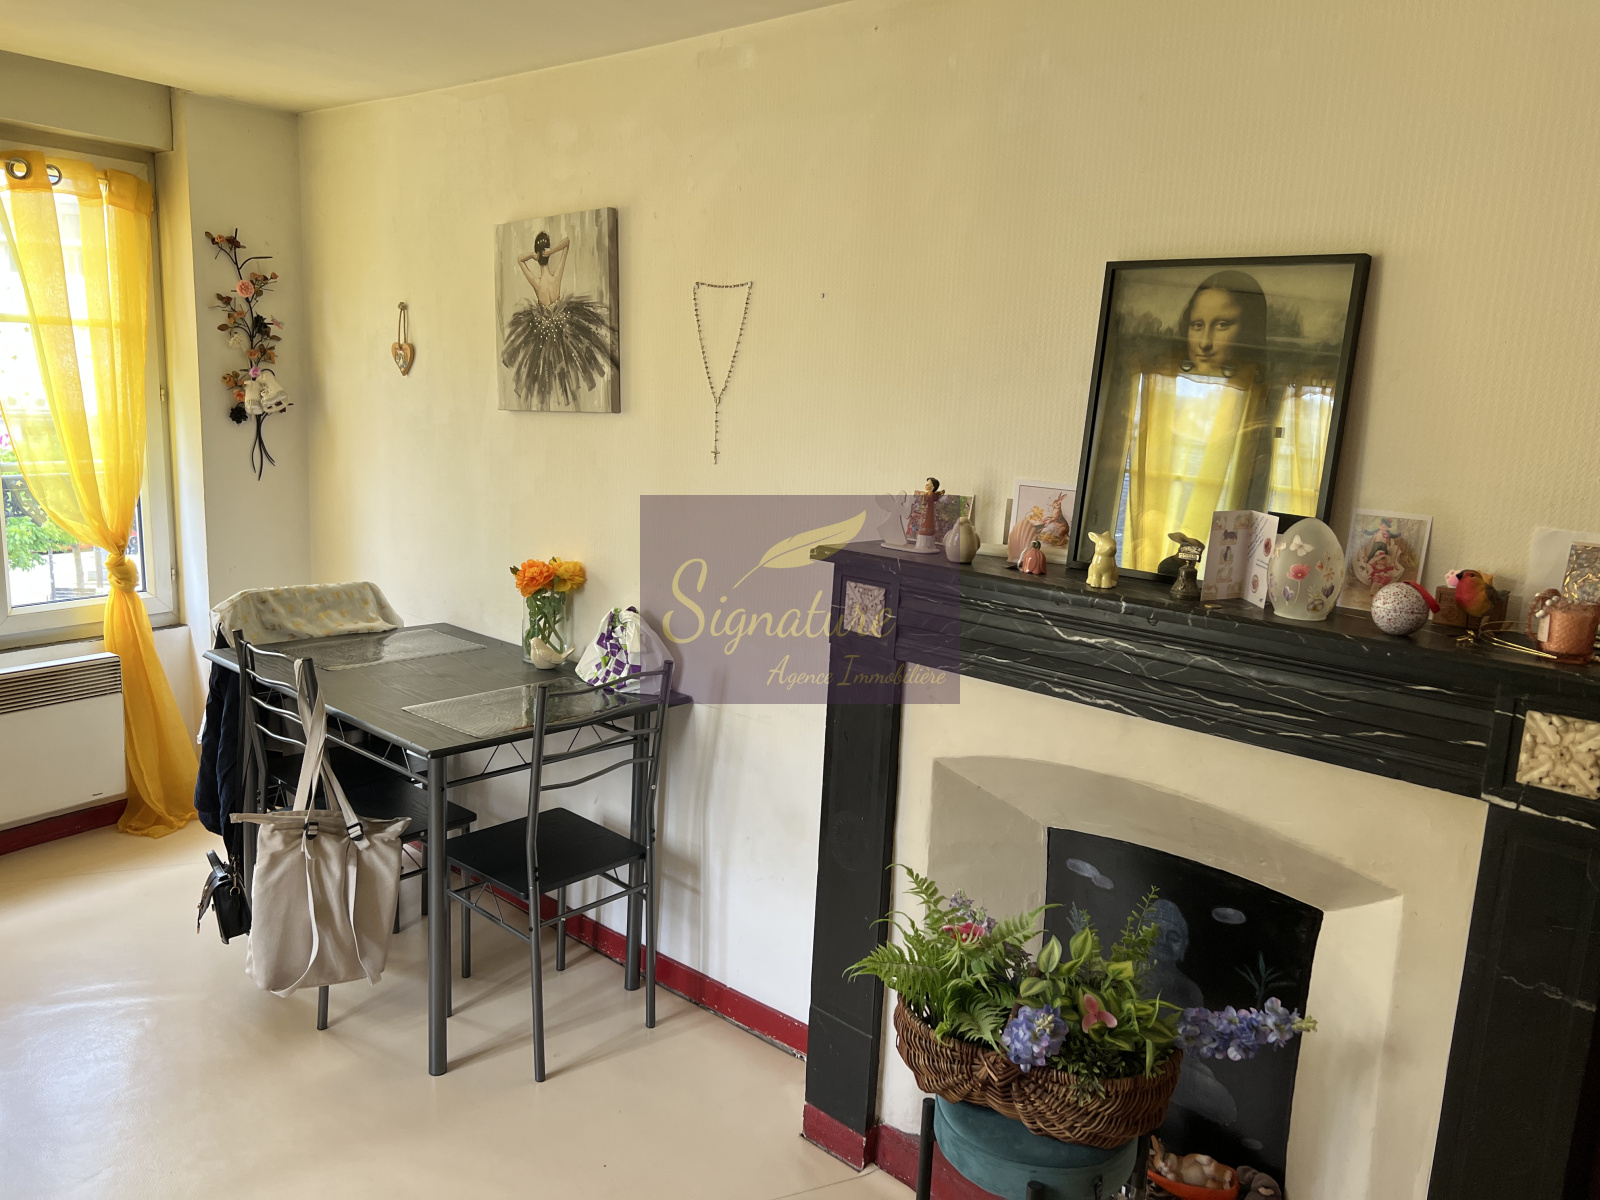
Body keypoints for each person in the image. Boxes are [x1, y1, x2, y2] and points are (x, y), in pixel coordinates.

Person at [501, 230, 617, 409]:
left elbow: (519, 260)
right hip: (562, 327)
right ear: (547, 254)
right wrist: (553, 251)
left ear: (537, 254)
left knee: (545, 373)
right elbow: (567, 242)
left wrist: (533, 255)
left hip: (542, 330)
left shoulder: (536, 282)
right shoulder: (556, 277)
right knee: (567, 367)